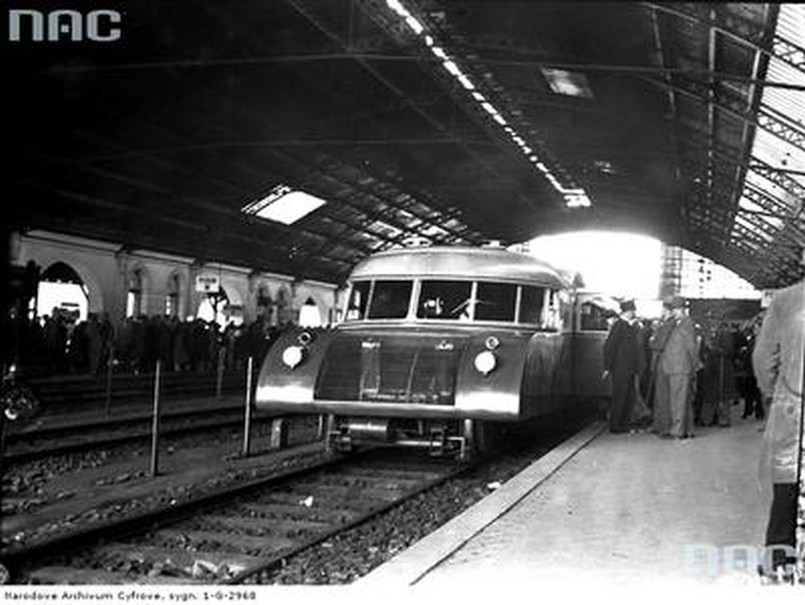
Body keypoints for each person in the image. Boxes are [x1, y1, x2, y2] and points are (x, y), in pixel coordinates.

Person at [752, 248, 804, 579]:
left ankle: (778, 559)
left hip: (794, 405)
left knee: (787, 484)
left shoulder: (784, 300)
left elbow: (762, 357)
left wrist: (773, 392)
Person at [651, 296, 700, 439]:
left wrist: (695, 364)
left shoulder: (687, 324)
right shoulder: (676, 323)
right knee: (676, 400)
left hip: (680, 368)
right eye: (673, 309)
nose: (674, 312)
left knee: (678, 401)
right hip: (672, 367)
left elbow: (691, 347)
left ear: (683, 310)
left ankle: (677, 431)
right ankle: (681, 429)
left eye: (677, 309)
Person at [602, 299, 643, 433]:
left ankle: (624, 424)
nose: (634, 313)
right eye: (632, 311)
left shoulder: (627, 326)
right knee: (620, 396)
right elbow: (609, 347)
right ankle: (616, 425)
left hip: (629, 369)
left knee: (628, 397)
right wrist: (607, 367)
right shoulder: (619, 326)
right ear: (627, 312)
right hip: (620, 369)